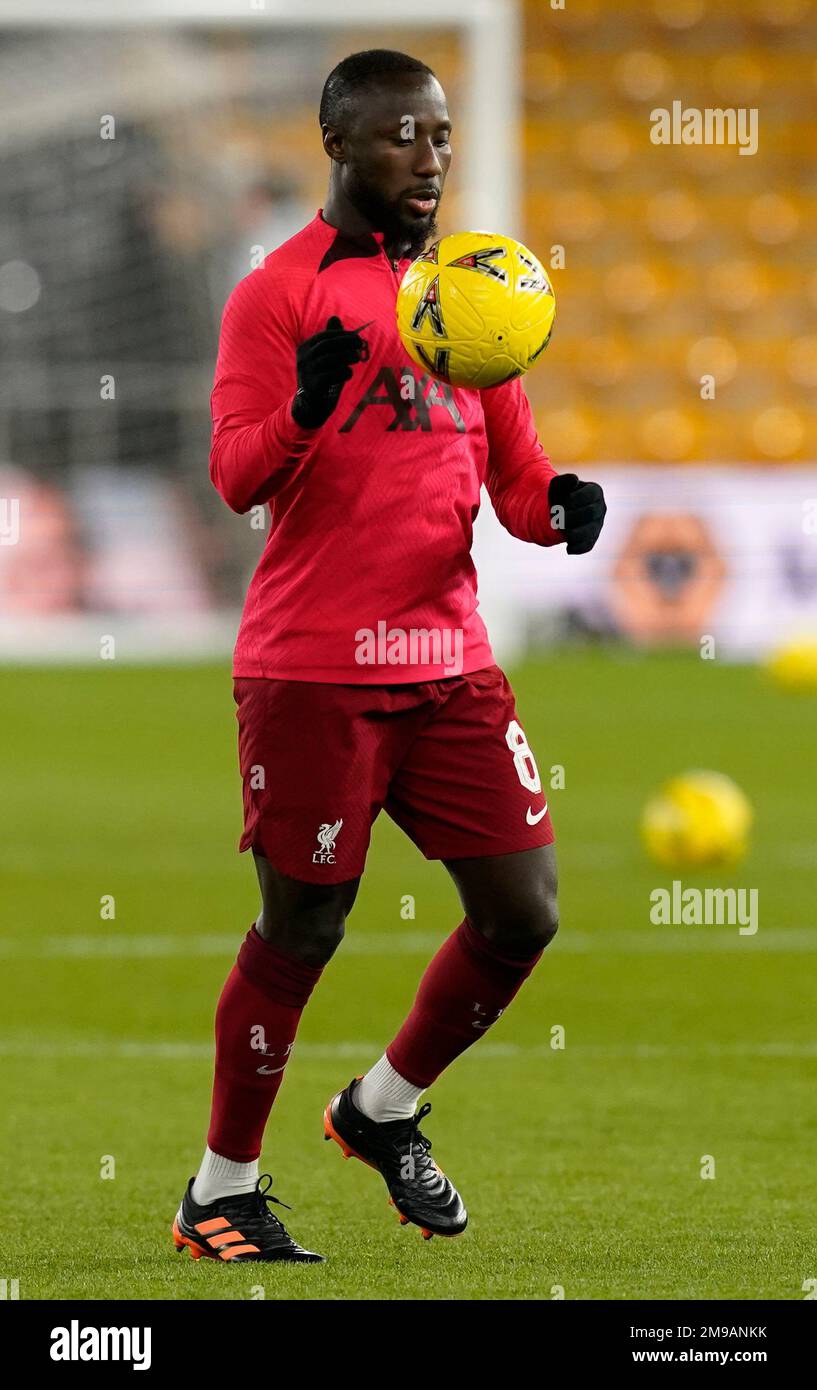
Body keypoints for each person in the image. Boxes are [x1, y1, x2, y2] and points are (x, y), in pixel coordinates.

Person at [172, 48, 606, 1265]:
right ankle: (222, 1188)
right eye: (401, 135)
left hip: (449, 659)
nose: (430, 156)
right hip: (313, 666)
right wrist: (304, 410)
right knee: (303, 929)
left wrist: (558, 507)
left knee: (523, 909)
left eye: (440, 133)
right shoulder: (278, 294)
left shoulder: (474, 286)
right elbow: (234, 474)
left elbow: (510, 480)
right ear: (338, 145)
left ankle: (382, 1107)